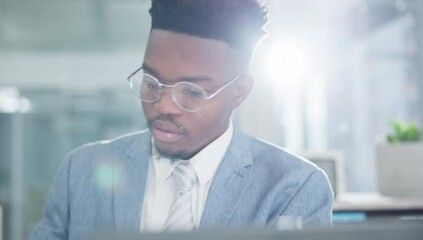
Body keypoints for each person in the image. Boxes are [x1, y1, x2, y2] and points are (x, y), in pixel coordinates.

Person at [29, 0, 333, 239]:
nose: (163, 105)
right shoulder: (79, 172)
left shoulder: (293, 187)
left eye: (191, 91)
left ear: (239, 92)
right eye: (152, 82)